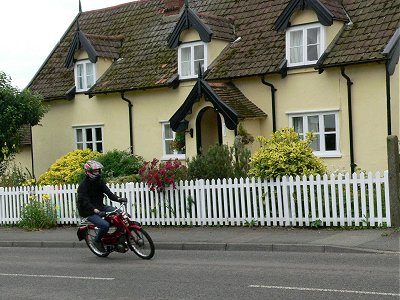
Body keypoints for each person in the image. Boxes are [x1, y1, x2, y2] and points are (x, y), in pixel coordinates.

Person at [77, 160, 126, 252]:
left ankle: (118, 237)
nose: (97, 173)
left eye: (98, 171)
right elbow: (85, 202)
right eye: (95, 171)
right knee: (105, 225)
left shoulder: (99, 182)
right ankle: (97, 241)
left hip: (100, 206)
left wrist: (119, 199)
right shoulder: (83, 186)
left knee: (120, 214)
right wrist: (96, 211)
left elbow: (109, 194)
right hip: (88, 211)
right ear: (88, 172)